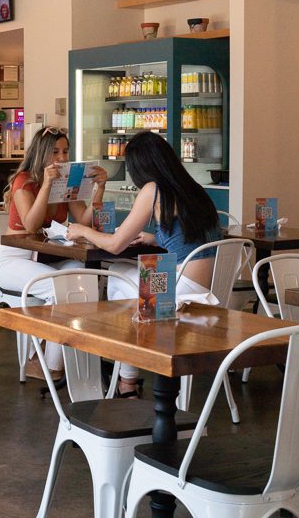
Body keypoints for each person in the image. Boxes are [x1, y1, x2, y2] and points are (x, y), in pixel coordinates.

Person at [67, 130, 222, 396]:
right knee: (124, 279)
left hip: (178, 292)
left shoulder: (153, 189)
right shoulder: (191, 187)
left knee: (116, 274)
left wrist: (82, 231)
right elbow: (190, 237)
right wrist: (154, 237)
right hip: (206, 290)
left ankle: (127, 377)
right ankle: (128, 373)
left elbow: (116, 245)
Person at [0, 126, 107, 379]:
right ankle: (45, 362)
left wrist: (99, 189)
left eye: (65, 151)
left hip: (49, 257)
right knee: (60, 288)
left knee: (85, 279)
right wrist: (46, 185)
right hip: (15, 258)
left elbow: (85, 220)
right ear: (41, 153)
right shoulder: (23, 181)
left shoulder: (66, 182)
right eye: (55, 152)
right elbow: (31, 225)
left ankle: (62, 357)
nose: (61, 157)